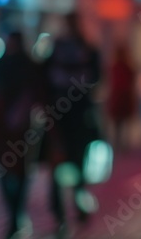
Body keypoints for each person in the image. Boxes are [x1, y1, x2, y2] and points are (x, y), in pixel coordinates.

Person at [0, 31, 45, 238]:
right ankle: (15, 214)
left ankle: (15, 214)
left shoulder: (13, 66)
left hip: (13, 130)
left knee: (12, 170)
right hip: (12, 130)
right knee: (14, 171)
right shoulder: (19, 65)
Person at [38, 12, 102, 229]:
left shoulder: (85, 49)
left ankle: (73, 207)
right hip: (63, 119)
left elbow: (96, 78)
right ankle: (62, 211)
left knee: (75, 165)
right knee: (60, 164)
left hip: (75, 119)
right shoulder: (63, 49)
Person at [106, 44, 138, 151]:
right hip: (121, 97)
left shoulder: (121, 67)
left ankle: (120, 145)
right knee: (120, 124)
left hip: (120, 97)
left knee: (120, 124)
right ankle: (120, 145)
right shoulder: (121, 67)